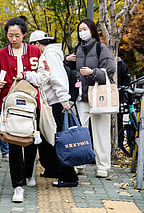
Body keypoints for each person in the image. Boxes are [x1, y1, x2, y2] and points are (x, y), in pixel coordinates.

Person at [0, 16, 42, 203]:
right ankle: (18, 185)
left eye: (17, 35)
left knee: (32, 141)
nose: (14, 39)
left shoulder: (35, 52)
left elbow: (45, 75)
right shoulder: (0, 55)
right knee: (14, 142)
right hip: (10, 105)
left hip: (32, 104)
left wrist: (28, 76)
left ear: (24, 34)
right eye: (10, 35)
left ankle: (28, 173)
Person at [26, 30, 79, 187]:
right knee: (45, 139)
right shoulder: (50, 53)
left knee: (59, 140)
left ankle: (69, 177)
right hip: (49, 103)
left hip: (56, 103)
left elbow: (57, 78)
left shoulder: (49, 55)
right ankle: (53, 169)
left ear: (37, 44)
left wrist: (64, 99)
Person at [65, 19, 116, 178]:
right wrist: (66, 59)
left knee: (101, 133)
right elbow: (70, 71)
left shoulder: (102, 48)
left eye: (84, 28)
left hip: (99, 96)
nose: (82, 32)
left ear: (92, 30)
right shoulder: (78, 49)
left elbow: (110, 70)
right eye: (80, 29)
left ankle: (103, 166)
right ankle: (79, 163)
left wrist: (93, 73)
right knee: (81, 133)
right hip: (82, 98)